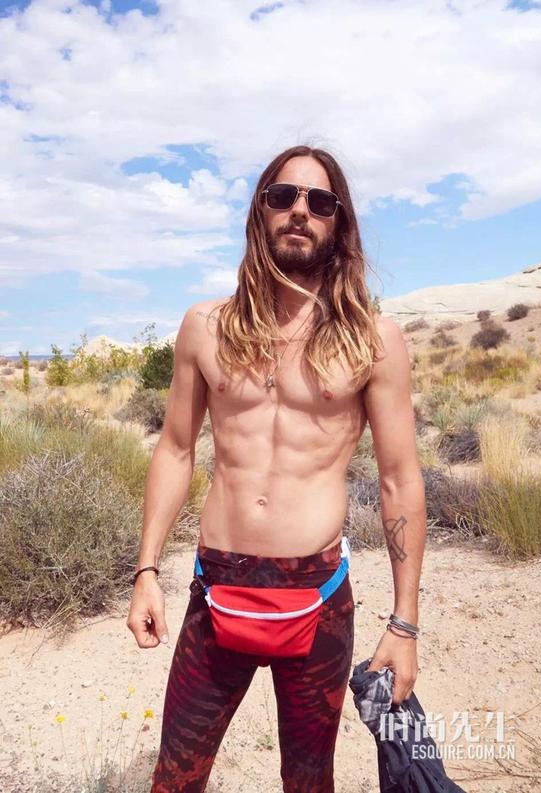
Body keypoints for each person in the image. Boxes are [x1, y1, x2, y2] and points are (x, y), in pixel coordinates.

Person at [126, 145, 427, 793]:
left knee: (309, 780)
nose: (300, 211)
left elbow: (400, 479)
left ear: (339, 222)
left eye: (320, 201)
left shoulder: (372, 339)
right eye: (283, 196)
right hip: (217, 587)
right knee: (174, 778)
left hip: (317, 595)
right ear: (259, 211)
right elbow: (175, 448)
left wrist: (404, 623)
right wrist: (146, 569)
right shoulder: (205, 326)